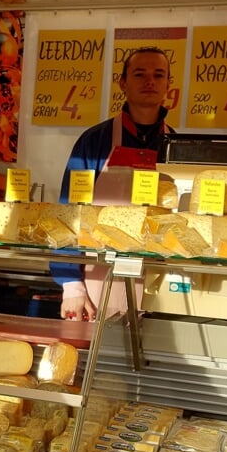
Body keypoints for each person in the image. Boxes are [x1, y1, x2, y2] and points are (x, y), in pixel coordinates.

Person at [55, 46, 175, 321]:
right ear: (123, 83)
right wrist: (71, 286)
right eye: (139, 74)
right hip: (98, 281)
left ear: (168, 85)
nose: (150, 81)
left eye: (159, 75)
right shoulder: (93, 142)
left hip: (160, 282)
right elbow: (66, 216)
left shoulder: (176, 145)